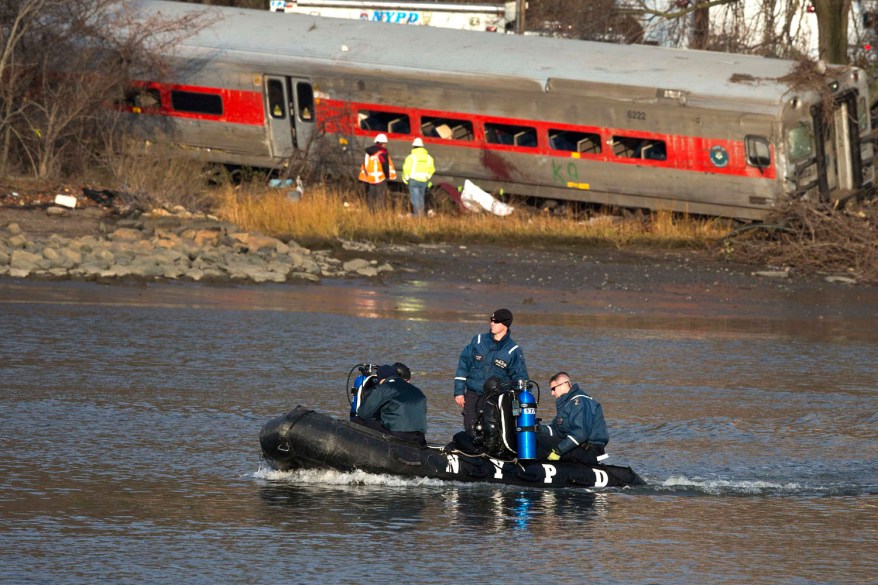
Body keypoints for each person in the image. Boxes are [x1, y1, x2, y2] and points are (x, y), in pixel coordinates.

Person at [454, 308, 528, 438]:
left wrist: (519, 405)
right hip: (472, 394)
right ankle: (472, 454)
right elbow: (463, 365)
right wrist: (459, 392)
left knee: (489, 430)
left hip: (494, 398)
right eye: (491, 320)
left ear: (505, 324)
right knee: (470, 428)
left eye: (496, 321)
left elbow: (520, 379)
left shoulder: (513, 350)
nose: (492, 323)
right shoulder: (477, 341)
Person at [537, 372, 609, 465]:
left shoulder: (579, 402)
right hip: (577, 447)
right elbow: (556, 430)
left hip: (589, 451)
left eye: (553, 389)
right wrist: (536, 428)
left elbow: (580, 434)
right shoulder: (567, 404)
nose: (552, 393)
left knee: (537, 442)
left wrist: (558, 451)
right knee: (535, 436)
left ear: (565, 384)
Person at [355, 364, 427, 446]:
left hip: (398, 435)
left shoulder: (383, 388)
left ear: (381, 379)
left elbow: (363, 413)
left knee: (358, 420)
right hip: (420, 438)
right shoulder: (417, 390)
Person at [358, 133, 397, 211]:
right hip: (380, 178)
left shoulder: (368, 153)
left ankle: (371, 212)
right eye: (385, 144)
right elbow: (385, 165)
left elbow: (365, 164)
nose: (385, 145)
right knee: (380, 197)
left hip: (370, 178)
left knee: (371, 196)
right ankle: (379, 213)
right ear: (382, 143)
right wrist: (387, 175)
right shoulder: (382, 152)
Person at [402, 137, 435, 216]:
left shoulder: (411, 157)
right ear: (422, 146)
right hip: (424, 180)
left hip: (413, 180)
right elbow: (432, 169)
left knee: (415, 199)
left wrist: (405, 179)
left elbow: (406, 169)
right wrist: (427, 176)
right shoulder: (429, 157)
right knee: (421, 198)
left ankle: (418, 216)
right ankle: (421, 215)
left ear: (413, 146)